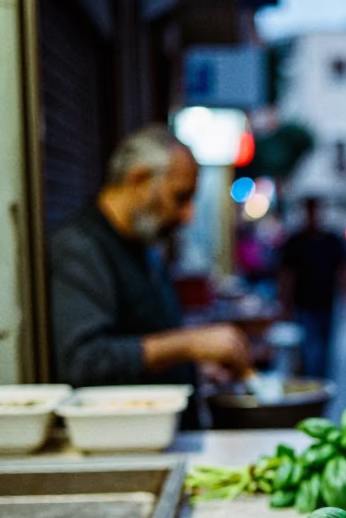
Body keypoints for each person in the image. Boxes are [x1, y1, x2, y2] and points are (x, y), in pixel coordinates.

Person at [50, 125, 252, 424]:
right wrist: (189, 344)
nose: (188, 216)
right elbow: (83, 361)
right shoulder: (80, 248)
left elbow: (146, 341)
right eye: (180, 197)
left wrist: (191, 364)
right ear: (139, 179)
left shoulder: (143, 246)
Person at [277, 197, 346, 378]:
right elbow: (286, 275)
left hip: (328, 303)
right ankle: (313, 386)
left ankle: (321, 386)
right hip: (303, 304)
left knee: (325, 350)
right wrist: (285, 303)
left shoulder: (331, 240)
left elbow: (345, 269)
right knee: (310, 351)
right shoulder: (295, 241)